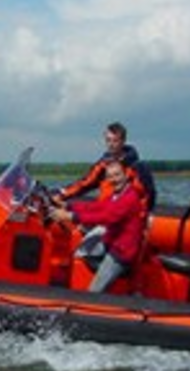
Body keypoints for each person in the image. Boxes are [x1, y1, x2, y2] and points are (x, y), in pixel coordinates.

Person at [48, 160, 146, 293]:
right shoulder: (117, 195)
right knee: (78, 252)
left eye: (117, 175)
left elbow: (106, 217)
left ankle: (90, 302)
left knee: (94, 290)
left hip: (121, 253)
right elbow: (96, 207)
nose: (114, 180)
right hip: (111, 243)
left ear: (125, 175)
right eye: (110, 176)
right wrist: (68, 206)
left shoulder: (129, 198)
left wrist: (71, 217)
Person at [56, 121, 156, 211]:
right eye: (108, 140)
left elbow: (147, 195)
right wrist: (62, 194)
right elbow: (85, 184)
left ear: (123, 141)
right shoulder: (103, 165)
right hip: (104, 213)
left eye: (115, 140)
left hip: (125, 216)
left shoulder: (137, 167)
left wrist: (140, 217)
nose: (111, 144)